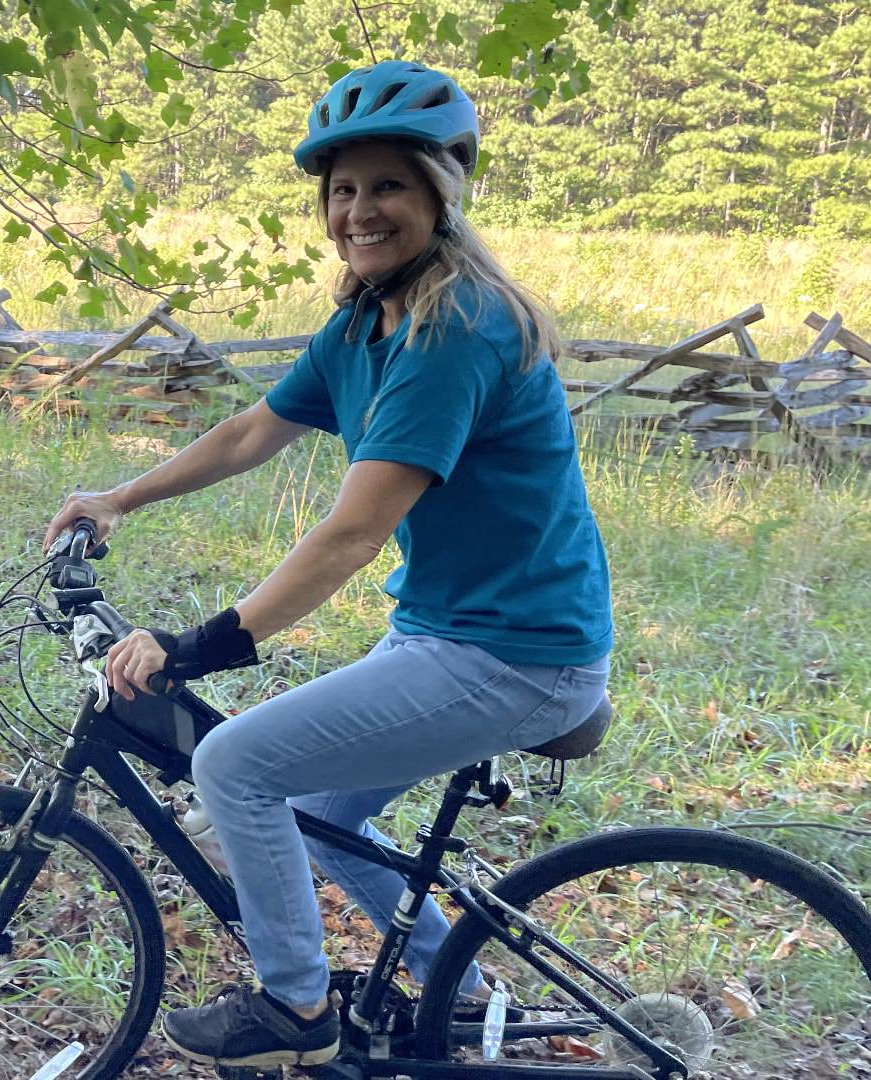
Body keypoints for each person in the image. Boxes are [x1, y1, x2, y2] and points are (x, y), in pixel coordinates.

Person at [40, 60, 613, 1070]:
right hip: (448, 631)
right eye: (342, 190)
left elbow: (351, 534)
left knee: (234, 763)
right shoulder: (367, 320)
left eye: (388, 184)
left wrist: (203, 645)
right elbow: (252, 430)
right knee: (311, 814)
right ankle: (457, 984)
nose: (360, 210)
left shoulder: (455, 332)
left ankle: (295, 1014)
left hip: (517, 655)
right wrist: (121, 496)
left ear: (441, 193)